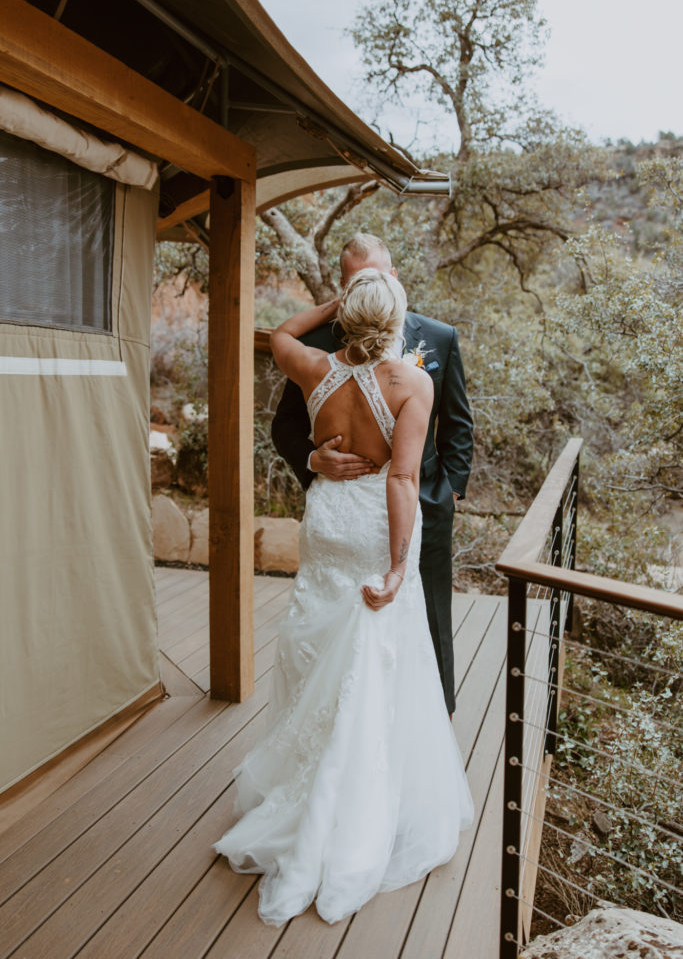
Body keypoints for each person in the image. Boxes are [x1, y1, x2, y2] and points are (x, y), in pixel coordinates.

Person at [212, 269, 474, 926]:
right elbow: (404, 479)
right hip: (373, 528)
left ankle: (307, 777)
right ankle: (354, 794)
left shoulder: (311, 367)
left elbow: (280, 332)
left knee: (319, 642)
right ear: (396, 320)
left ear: (347, 318)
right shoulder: (411, 383)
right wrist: (393, 567)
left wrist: (337, 300)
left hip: (327, 524)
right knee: (374, 654)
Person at [272, 234, 473, 716]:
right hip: (359, 504)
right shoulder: (321, 347)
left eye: (375, 277)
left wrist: (450, 491)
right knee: (353, 621)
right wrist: (314, 461)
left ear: (395, 277)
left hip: (425, 502)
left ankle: (434, 718)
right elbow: (285, 427)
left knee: (430, 619)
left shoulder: (438, 337)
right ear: (341, 287)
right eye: (356, 280)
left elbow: (460, 423)